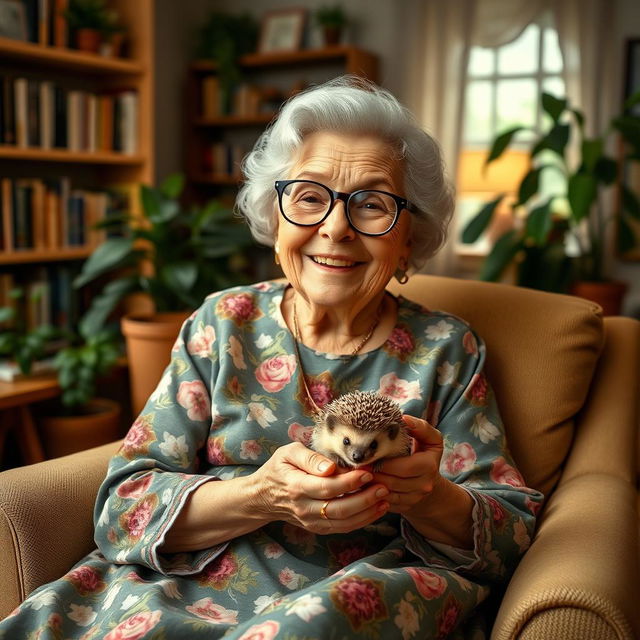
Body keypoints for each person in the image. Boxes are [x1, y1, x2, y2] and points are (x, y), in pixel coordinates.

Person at [0, 76, 543, 639]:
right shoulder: (221, 323)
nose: (335, 227)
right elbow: (122, 508)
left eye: (373, 204)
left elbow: (510, 537)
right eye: (309, 197)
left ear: (408, 237)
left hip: (355, 594)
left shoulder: (446, 349)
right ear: (277, 216)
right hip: (183, 584)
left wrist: (428, 496)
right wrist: (263, 495)